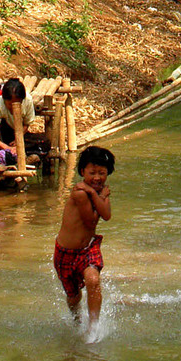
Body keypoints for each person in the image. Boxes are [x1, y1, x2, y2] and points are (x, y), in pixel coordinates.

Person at [54, 145, 114, 339]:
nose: (97, 178)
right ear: (82, 172)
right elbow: (91, 220)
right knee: (74, 297)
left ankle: (94, 328)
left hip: (87, 248)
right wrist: (100, 196)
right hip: (65, 253)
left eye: (102, 173)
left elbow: (106, 215)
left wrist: (98, 194)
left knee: (93, 280)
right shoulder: (80, 193)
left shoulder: (98, 192)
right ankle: (76, 320)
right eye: (92, 173)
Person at [0, 77, 35, 164]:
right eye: (10, 104)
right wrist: (7, 148)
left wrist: (18, 139)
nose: (14, 107)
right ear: (4, 99)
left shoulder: (27, 100)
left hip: (14, 132)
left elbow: (26, 123)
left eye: (18, 103)